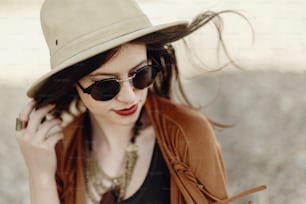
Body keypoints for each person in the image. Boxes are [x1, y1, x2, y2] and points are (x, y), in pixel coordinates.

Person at [15, 0, 266, 203]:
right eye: (106, 86)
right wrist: (41, 177)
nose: (130, 97)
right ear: (73, 86)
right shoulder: (62, 147)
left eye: (141, 75)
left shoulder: (188, 134)